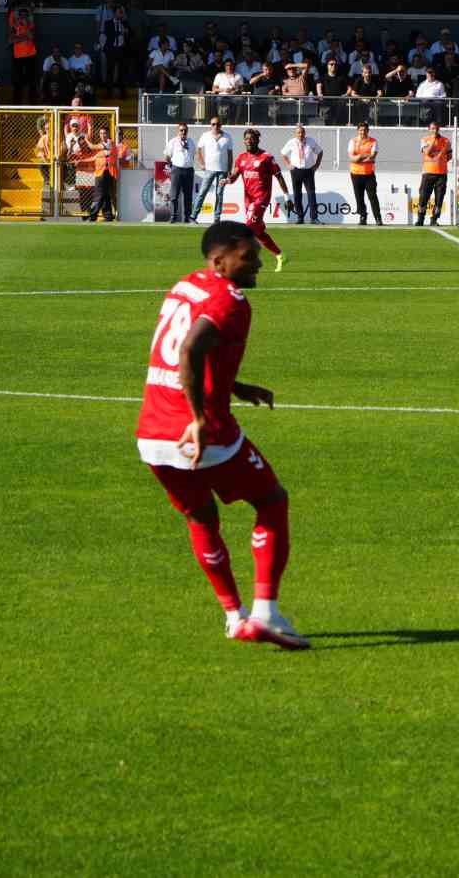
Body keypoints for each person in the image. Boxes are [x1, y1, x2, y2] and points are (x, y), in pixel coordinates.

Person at [135, 222, 308, 649]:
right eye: (248, 257)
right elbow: (190, 350)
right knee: (271, 500)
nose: (259, 264)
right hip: (200, 430)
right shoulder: (229, 300)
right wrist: (199, 416)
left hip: (154, 432)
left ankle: (235, 617)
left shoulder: (187, 285)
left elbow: (194, 352)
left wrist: (236, 386)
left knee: (201, 518)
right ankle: (266, 612)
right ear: (220, 261)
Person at [224, 129, 289, 270]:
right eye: (246, 138)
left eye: (251, 138)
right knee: (259, 233)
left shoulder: (266, 157)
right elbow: (234, 176)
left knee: (248, 229)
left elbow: (279, 176)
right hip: (248, 200)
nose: (249, 141)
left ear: (257, 140)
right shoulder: (241, 158)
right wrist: (227, 180)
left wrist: (287, 196)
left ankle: (241, 260)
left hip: (261, 199)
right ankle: (280, 255)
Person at [84, 126, 132, 222]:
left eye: (104, 133)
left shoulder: (109, 143)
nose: (102, 135)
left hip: (105, 172)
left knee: (99, 194)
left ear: (108, 134)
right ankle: (108, 215)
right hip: (104, 172)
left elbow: (92, 147)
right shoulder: (106, 144)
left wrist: (86, 139)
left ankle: (93, 215)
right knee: (106, 195)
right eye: (101, 133)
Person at [192, 119, 233, 223]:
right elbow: (199, 150)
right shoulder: (205, 135)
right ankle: (193, 216)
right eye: (213, 124)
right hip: (209, 170)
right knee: (202, 192)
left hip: (223, 170)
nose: (215, 126)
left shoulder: (227, 137)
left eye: (218, 124)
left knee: (219, 194)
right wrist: (201, 163)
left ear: (221, 125)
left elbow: (230, 154)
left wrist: (229, 170)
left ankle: (217, 219)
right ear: (210, 125)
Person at [279, 125, 323, 225]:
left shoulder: (311, 141)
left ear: (305, 133)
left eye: (302, 132)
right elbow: (283, 153)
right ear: (295, 134)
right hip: (296, 171)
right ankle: (300, 217)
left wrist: (316, 165)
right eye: (298, 133)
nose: (300, 134)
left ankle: (314, 218)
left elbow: (320, 152)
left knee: (311, 194)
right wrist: (288, 164)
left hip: (308, 171)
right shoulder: (291, 142)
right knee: (297, 195)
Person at [415, 118, 451, 227]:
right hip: (428, 173)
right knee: (423, 197)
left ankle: (434, 219)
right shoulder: (425, 140)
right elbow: (427, 152)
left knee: (439, 198)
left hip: (441, 173)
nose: (434, 130)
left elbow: (449, 156)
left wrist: (441, 160)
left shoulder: (446, 141)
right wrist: (433, 141)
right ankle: (420, 218)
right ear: (429, 129)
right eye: (432, 129)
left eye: (436, 129)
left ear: (439, 129)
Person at [348, 122, 383, 226]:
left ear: (368, 131)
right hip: (355, 173)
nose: (362, 132)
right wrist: (364, 156)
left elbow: (372, 157)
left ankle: (378, 218)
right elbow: (352, 158)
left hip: (369, 174)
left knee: (372, 197)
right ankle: (363, 216)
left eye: (364, 130)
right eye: (361, 130)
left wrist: (359, 157)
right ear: (358, 131)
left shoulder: (373, 141)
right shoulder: (352, 141)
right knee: (359, 197)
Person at [164, 122, 196, 223]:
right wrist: (173, 165)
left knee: (188, 195)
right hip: (177, 169)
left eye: (185, 130)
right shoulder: (173, 141)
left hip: (189, 170)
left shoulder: (191, 142)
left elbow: (193, 155)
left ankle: (187, 217)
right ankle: (173, 216)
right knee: (174, 195)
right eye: (181, 130)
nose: (183, 132)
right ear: (178, 131)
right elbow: (167, 156)